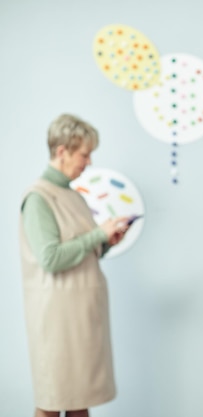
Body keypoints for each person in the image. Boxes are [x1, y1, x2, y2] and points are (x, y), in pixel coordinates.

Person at [19, 114, 131, 417]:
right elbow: (50, 258)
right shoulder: (38, 199)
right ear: (62, 151)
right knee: (53, 400)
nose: (89, 162)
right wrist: (98, 233)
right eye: (84, 154)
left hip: (82, 316)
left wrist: (107, 242)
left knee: (81, 397)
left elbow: (82, 250)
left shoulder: (74, 196)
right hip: (57, 321)